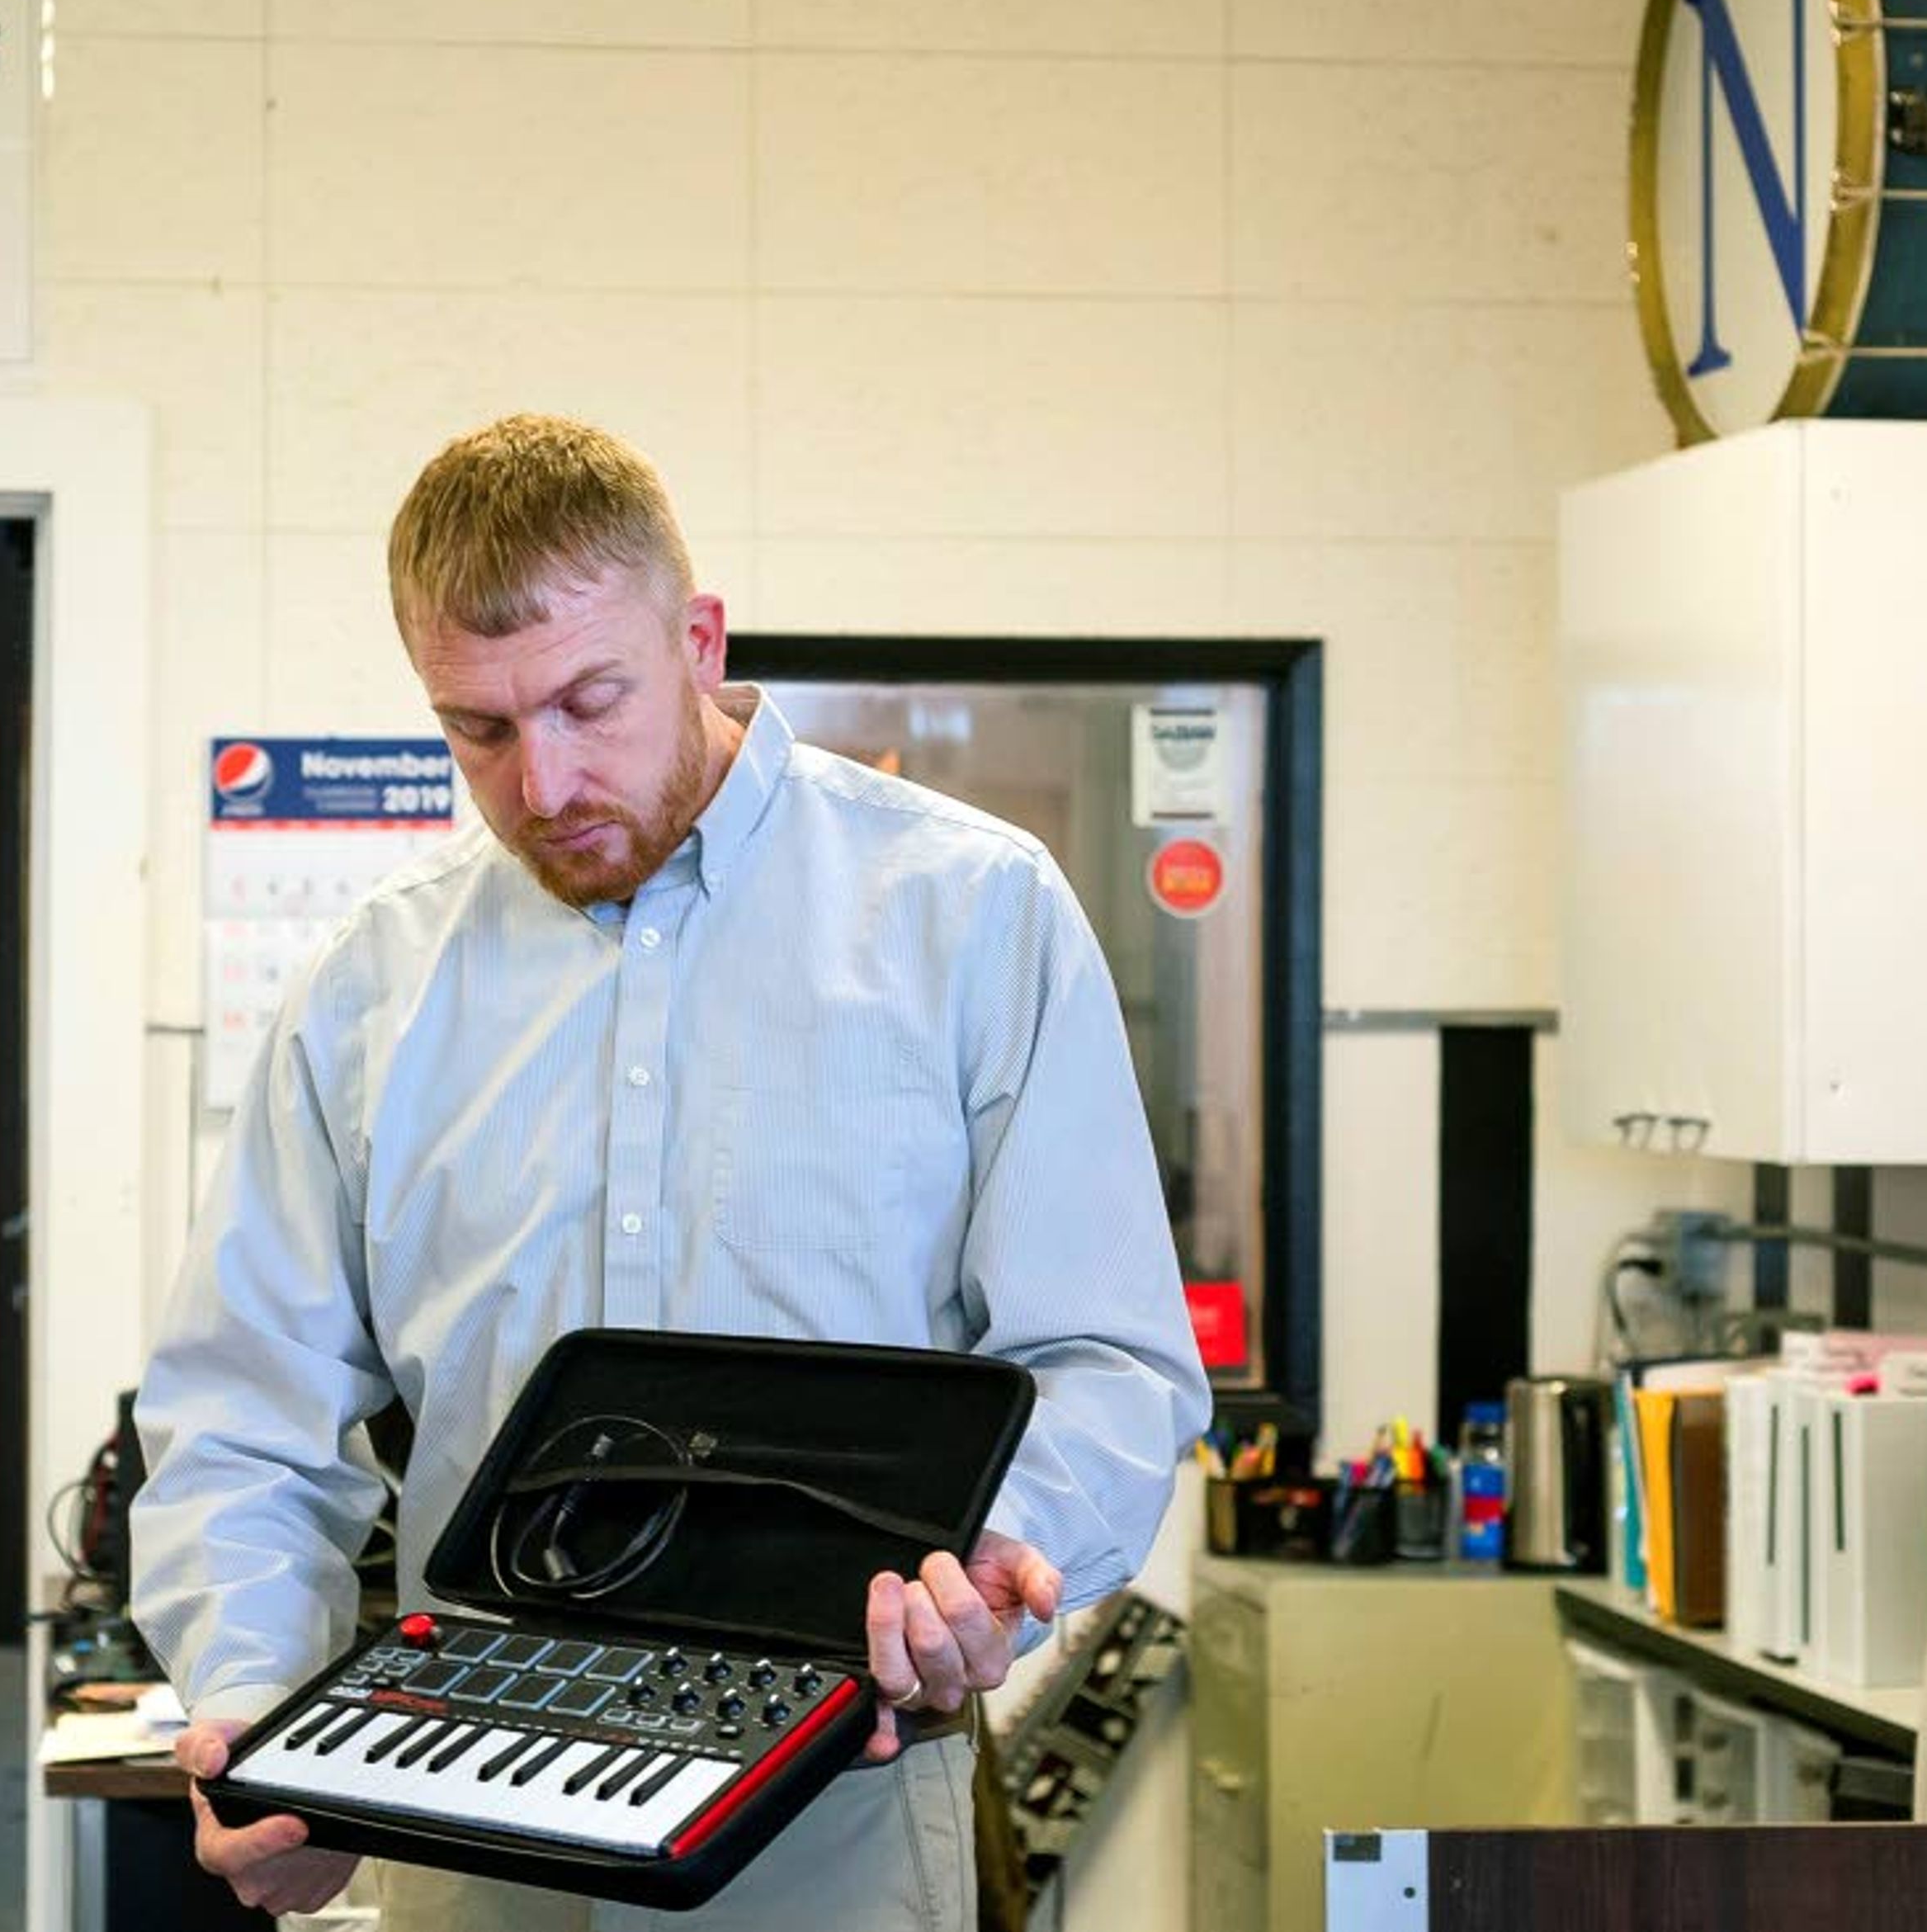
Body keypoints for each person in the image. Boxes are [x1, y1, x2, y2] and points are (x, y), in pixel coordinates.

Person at [131, 413, 1209, 1930]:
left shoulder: (966, 917)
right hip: (462, 1795)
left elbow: (1103, 1357)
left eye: (590, 699)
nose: (546, 779)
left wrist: (997, 1572)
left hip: (832, 1793)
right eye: (480, 732)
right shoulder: (377, 980)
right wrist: (259, 1718)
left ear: (698, 638)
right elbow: (245, 1413)